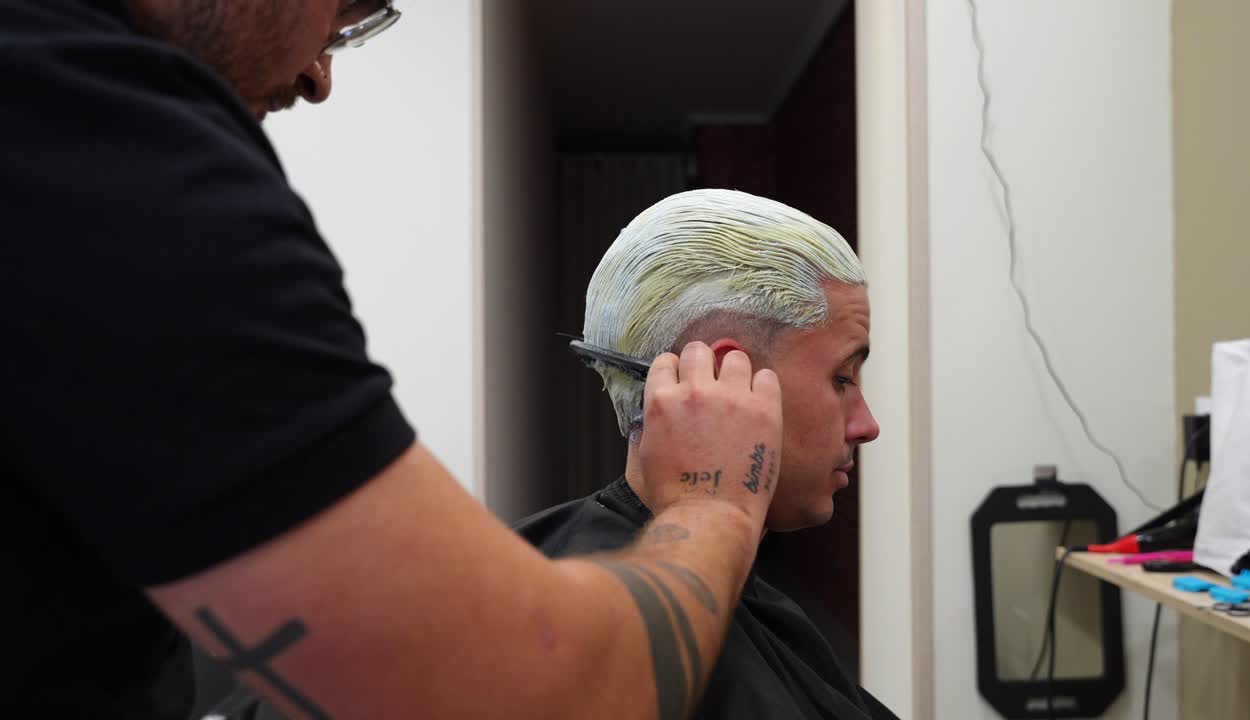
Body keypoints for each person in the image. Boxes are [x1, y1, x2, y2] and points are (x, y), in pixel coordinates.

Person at [1, 2, 788, 718]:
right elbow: (546, 695)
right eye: (343, 10)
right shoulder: (110, 158)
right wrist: (710, 506)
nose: (319, 77)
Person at [516, 189, 899, 719]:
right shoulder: (579, 637)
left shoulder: (758, 606)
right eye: (841, 379)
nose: (867, 425)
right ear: (721, 377)